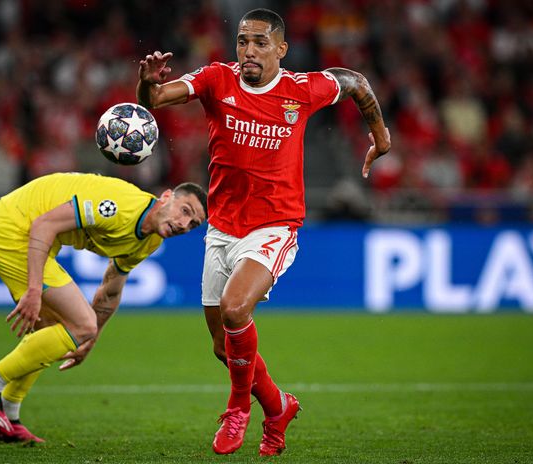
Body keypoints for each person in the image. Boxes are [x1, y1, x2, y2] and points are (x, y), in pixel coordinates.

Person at [137, 8, 391, 457]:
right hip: (221, 228)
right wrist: (146, 81)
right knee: (222, 345)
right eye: (241, 41)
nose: (248, 51)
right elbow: (154, 100)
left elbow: (356, 82)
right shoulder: (218, 79)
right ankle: (277, 408)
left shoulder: (303, 89)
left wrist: (380, 135)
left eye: (258, 42)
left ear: (280, 49)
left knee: (236, 310)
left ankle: (238, 409)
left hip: (274, 225)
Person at [0, 172, 207, 443]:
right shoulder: (119, 206)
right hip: (13, 229)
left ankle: (8, 413)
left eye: (193, 223)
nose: (184, 224)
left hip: (27, 233)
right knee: (81, 323)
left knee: (56, 330)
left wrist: (91, 338)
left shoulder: (151, 239)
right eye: (185, 211)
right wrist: (34, 290)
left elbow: (112, 287)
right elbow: (43, 225)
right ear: (167, 196)